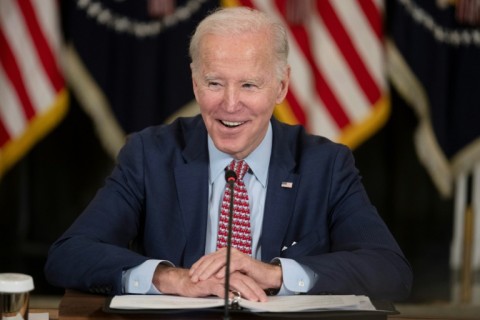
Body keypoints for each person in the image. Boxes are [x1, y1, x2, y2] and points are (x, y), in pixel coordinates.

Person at [44, 6, 412, 302]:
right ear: (195, 82)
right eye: (215, 83)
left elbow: (390, 271)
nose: (230, 104)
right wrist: (171, 279)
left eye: (249, 85)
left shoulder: (325, 165)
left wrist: (277, 274)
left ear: (281, 86)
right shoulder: (150, 154)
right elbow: (69, 255)